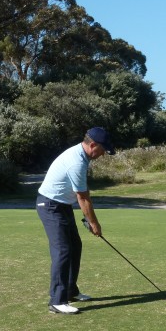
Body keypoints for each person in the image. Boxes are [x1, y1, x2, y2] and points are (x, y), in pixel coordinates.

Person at [36, 127, 115, 315]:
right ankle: (57, 300)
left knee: (75, 246)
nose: (103, 155)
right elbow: (83, 198)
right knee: (62, 249)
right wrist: (94, 224)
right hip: (49, 205)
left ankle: (70, 290)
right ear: (93, 145)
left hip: (62, 205)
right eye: (102, 150)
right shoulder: (76, 162)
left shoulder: (82, 156)